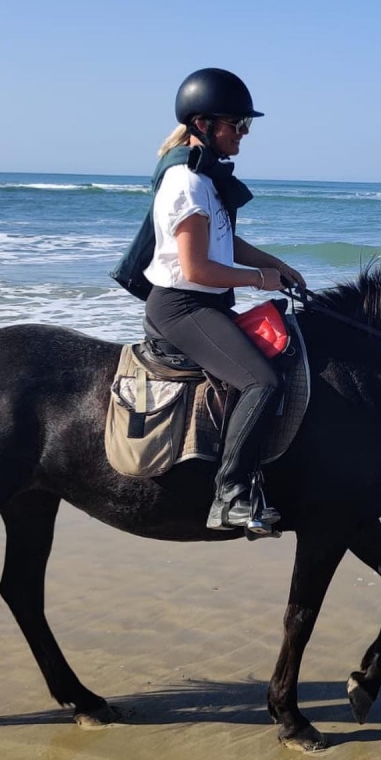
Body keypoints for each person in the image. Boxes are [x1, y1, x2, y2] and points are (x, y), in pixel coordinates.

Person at [142, 68, 305, 533]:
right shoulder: (186, 183)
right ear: (204, 125)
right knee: (262, 382)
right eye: (238, 125)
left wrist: (279, 266)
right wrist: (260, 279)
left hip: (203, 304)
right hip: (182, 307)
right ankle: (229, 496)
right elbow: (196, 269)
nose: (243, 134)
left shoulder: (206, 180)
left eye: (244, 125)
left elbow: (224, 243)